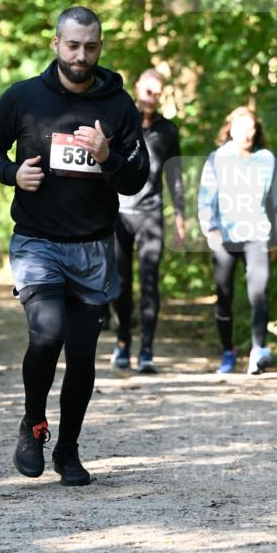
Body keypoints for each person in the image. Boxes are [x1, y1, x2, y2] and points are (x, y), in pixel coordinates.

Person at [0, 6, 149, 486]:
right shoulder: (24, 98)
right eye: (72, 45)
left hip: (93, 248)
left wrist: (108, 156)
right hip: (37, 242)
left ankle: (68, 450)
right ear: (56, 45)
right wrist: (13, 173)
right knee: (46, 334)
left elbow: (137, 178)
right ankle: (33, 425)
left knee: (82, 355)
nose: (81, 55)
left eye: (90, 47)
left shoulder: (118, 106)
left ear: (99, 47)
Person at [111, 69, 185, 374]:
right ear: (138, 87)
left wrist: (180, 213)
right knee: (121, 284)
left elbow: (175, 174)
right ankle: (123, 343)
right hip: (118, 214)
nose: (153, 97)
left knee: (150, 283)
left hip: (151, 214)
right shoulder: (118, 120)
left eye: (158, 92)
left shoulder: (168, 130)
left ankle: (147, 351)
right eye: (148, 90)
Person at [198, 106, 277, 375]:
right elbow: (205, 198)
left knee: (259, 292)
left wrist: (275, 238)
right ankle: (228, 351)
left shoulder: (266, 159)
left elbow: (274, 201)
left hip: (257, 234)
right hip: (225, 236)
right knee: (224, 296)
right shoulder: (217, 159)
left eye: (252, 130)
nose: (247, 135)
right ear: (231, 130)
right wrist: (210, 229)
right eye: (242, 129)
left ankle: (258, 351)